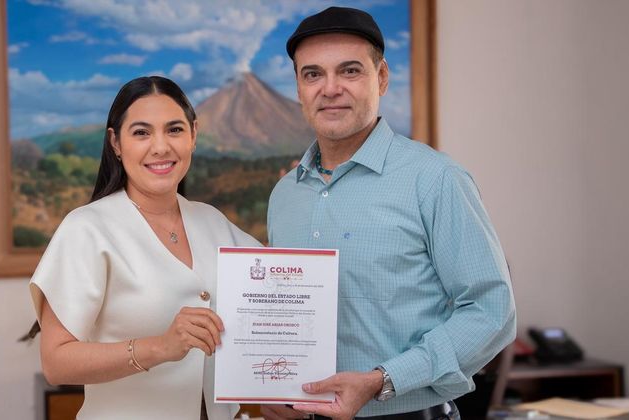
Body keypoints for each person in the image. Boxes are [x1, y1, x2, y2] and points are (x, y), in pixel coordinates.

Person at [262, 7, 516, 420]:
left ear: (381, 77)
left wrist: (384, 378)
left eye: (349, 71)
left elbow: (491, 312)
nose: (330, 89)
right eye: (313, 74)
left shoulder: (436, 179)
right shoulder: (284, 195)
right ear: (298, 88)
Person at [29, 76, 260, 420]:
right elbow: (57, 363)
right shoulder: (87, 229)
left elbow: (276, 294)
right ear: (115, 143)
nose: (161, 147)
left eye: (175, 130)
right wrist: (160, 347)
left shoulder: (214, 223)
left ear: (193, 135)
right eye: (141, 133)